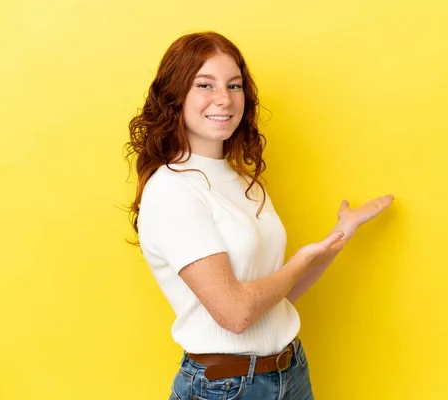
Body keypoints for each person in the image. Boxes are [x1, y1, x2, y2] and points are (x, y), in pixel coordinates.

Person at [125, 31, 394, 400]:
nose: (224, 99)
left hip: (290, 372)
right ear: (175, 96)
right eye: (205, 84)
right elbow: (236, 314)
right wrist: (300, 261)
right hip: (227, 387)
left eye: (234, 85)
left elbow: (277, 297)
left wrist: (339, 237)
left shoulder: (242, 181)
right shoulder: (173, 189)